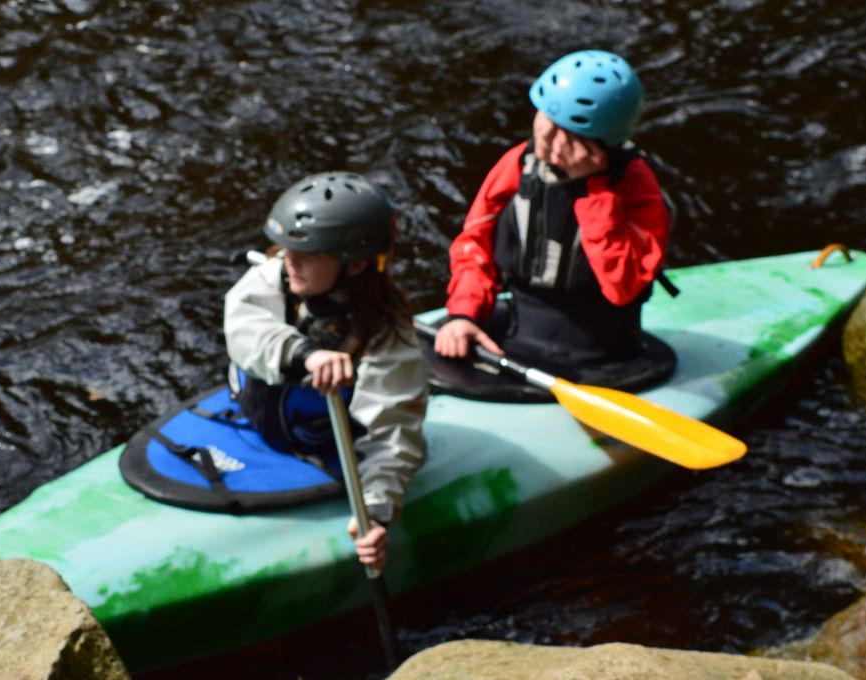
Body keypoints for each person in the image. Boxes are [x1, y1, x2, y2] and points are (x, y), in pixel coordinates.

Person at [434, 49, 675, 390]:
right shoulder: (519, 163)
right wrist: (464, 313)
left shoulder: (636, 185)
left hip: (602, 354)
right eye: (545, 117)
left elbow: (623, 286)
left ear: (600, 143)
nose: (546, 136)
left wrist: (592, 189)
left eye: (565, 132)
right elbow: (474, 245)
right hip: (518, 332)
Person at [224, 171, 427, 571]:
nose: (290, 261)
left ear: (356, 265)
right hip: (258, 417)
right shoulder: (275, 273)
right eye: (287, 248)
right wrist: (306, 354)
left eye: (310, 253)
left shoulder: (386, 330)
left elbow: (392, 431)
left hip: (328, 439)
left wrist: (376, 513)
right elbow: (243, 328)